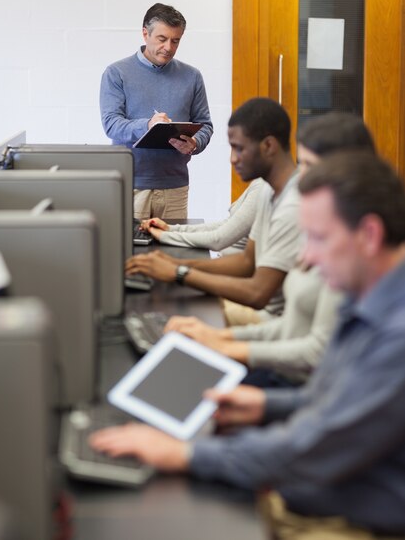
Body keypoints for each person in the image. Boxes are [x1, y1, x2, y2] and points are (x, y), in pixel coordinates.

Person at [91, 152, 405, 537]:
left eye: (319, 238)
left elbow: (313, 445)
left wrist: (187, 454)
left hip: (356, 522)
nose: (306, 257)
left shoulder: (395, 334)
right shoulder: (365, 296)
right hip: (316, 490)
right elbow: (337, 400)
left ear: (369, 235)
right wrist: (264, 406)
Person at [163, 113, 375, 388]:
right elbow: (289, 328)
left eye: (310, 166)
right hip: (284, 367)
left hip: (297, 383)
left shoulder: (351, 245)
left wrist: (228, 348)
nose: (302, 178)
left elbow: (315, 352)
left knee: (188, 384)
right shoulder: (318, 224)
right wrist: (221, 340)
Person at [126, 97, 302, 326]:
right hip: (257, 310)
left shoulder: (292, 204)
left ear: (268, 146)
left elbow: (258, 294)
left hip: (269, 320)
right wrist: (173, 265)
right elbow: (246, 262)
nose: (233, 159)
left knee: (166, 316)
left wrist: (178, 272)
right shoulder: (271, 193)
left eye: (239, 149)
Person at [100, 3, 213, 220]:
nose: (169, 47)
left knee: (173, 252)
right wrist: (148, 125)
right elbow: (111, 124)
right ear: (145, 33)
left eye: (176, 40)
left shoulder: (192, 76)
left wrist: (195, 143)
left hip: (175, 186)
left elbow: (205, 125)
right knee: (131, 252)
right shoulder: (117, 73)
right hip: (131, 186)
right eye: (162, 39)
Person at [139, 177, 263, 256]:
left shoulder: (262, 189)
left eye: (240, 148)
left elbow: (218, 240)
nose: (233, 159)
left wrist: (164, 236)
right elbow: (227, 225)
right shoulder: (259, 183)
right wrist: (170, 229)